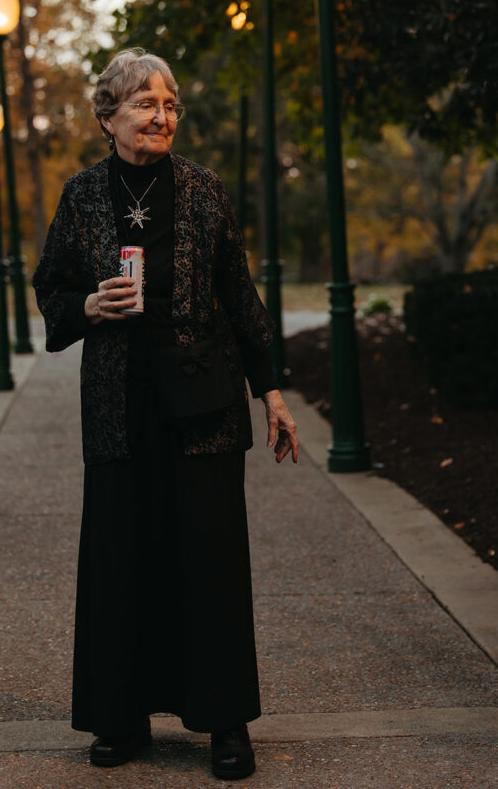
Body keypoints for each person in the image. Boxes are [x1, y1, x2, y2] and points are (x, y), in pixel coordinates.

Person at [33, 48, 298, 781]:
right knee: (122, 557)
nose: (161, 116)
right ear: (107, 117)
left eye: (171, 104)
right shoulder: (82, 195)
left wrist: (269, 390)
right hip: (118, 402)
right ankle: (121, 717)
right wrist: (87, 304)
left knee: (208, 559)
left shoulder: (205, 190)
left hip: (203, 400)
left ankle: (223, 723)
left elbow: (239, 294)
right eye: (145, 104)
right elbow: (49, 286)